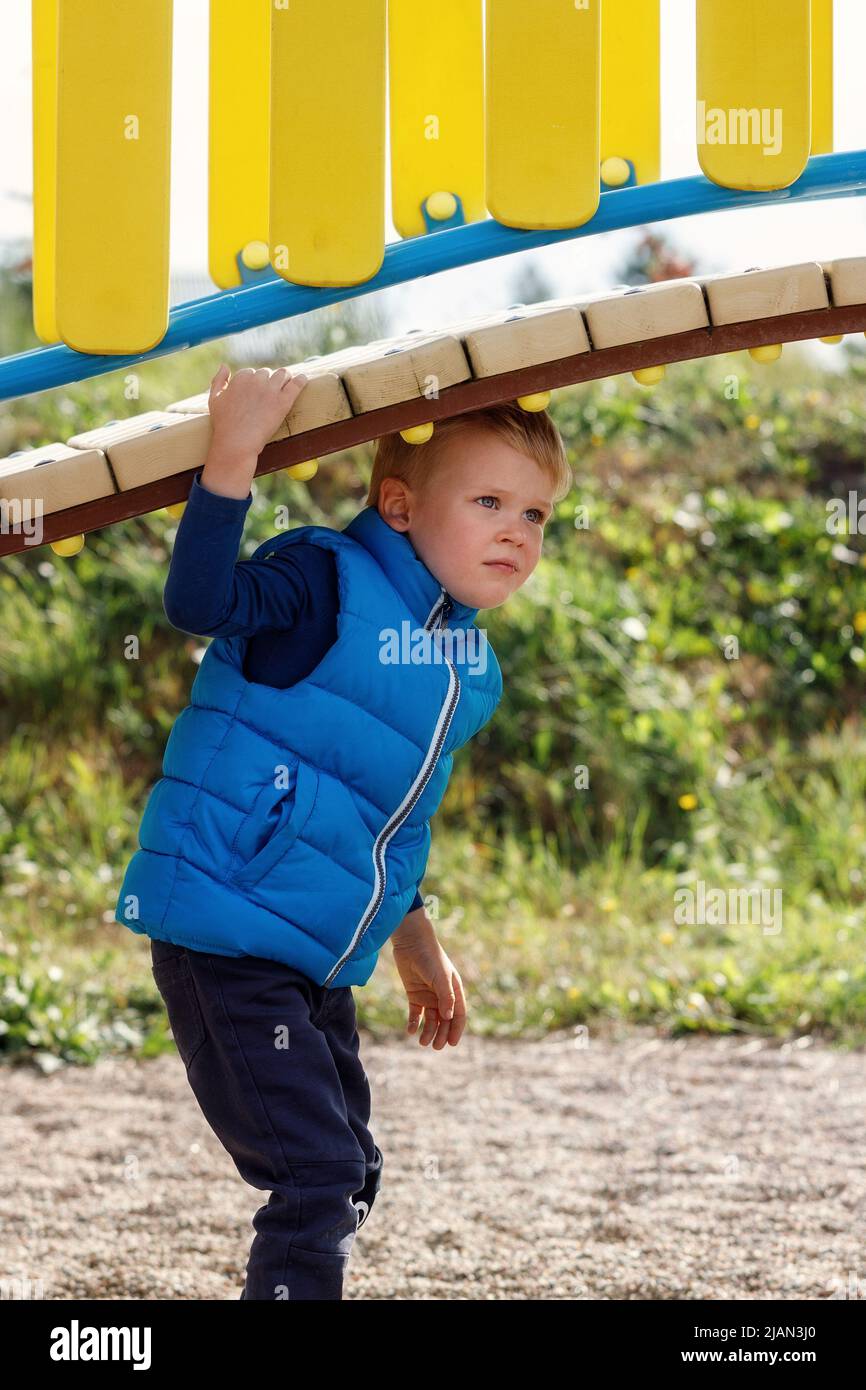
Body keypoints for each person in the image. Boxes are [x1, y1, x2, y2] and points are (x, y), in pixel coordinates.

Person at [116, 361, 572, 1299]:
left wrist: (413, 932)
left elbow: (393, 820)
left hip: (314, 956)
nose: (517, 534)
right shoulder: (322, 577)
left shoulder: (461, 666)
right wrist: (232, 455)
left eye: (535, 515)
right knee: (316, 1174)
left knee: (349, 1169)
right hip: (226, 936)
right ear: (400, 506)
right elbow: (197, 605)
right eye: (490, 500)